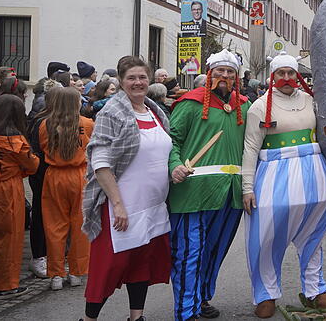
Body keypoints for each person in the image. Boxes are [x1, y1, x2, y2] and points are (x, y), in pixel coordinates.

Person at [241, 53, 326, 318]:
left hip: (314, 181)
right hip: (274, 180)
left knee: (313, 239)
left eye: (290, 73)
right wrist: (247, 188)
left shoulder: (311, 102)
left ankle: (315, 290)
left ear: (297, 76)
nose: (286, 78)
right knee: (267, 239)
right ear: (273, 76)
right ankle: (266, 294)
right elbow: (250, 149)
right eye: (281, 73)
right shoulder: (259, 107)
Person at [82, 56, 172, 321]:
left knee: (141, 265)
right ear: (121, 82)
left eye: (142, 77)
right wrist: (117, 204)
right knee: (109, 266)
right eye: (131, 78)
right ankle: (88, 319)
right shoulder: (113, 112)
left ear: (150, 79)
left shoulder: (155, 111)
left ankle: (137, 316)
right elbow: (100, 161)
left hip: (152, 205)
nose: (138, 82)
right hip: (121, 205)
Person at [167, 50, 249, 320]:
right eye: (219, 71)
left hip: (230, 194)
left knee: (214, 251)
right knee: (190, 252)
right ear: (209, 73)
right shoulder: (189, 104)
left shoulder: (245, 106)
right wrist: (173, 165)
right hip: (193, 191)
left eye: (230, 71)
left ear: (236, 76)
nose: (224, 76)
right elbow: (172, 141)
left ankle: (201, 298)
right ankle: (185, 310)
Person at [0, 95, 40, 299]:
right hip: (8, 190)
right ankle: (6, 285)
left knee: (0, 237)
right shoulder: (14, 139)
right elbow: (32, 165)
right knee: (11, 238)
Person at [37, 87, 94, 291]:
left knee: (54, 226)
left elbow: (43, 147)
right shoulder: (87, 124)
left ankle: (56, 275)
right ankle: (77, 272)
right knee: (80, 225)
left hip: (54, 176)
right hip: (80, 176)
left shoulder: (46, 125)